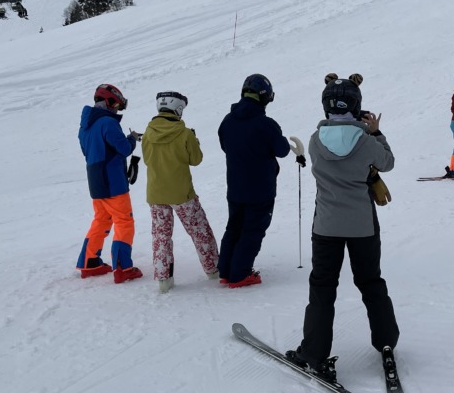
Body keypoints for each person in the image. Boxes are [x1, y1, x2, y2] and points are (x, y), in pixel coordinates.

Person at [285, 77, 399, 382]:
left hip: (326, 225)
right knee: (371, 282)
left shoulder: (315, 140)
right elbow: (387, 163)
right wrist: (376, 132)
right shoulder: (367, 140)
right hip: (362, 225)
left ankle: (314, 352)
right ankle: (386, 341)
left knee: (322, 288)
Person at [216, 74, 294, 288]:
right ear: (265, 97)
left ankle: (226, 270)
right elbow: (282, 150)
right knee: (252, 230)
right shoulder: (266, 124)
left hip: (235, 186)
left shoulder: (228, 120)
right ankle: (240, 274)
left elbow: (224, 145)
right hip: (260, 189)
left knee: (234, 227)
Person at [138, 91, 219, 294]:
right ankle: (213, 269)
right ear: (179, 108)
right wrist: (194, 141)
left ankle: (164, 280)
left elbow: (147, 159)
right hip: (182, 193)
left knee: (161, 236)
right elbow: (196, 159)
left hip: (156, 193)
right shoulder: (184, 133)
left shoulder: (148, 132)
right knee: (199, 230)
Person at [76, 83, 143, 284]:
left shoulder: (85, 127)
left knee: (101, 220)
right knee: (124, 221)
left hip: (96, 181)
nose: (117, 110)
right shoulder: (108, 123)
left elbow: (88, 152)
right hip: (113, 182)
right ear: (109, 101)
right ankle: (123, 268)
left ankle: (90, 262)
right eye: (117, 105)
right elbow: (124, 149)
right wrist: (132, 139)